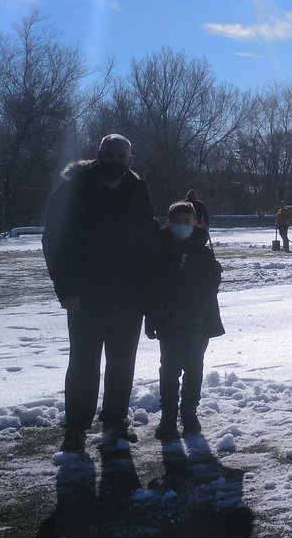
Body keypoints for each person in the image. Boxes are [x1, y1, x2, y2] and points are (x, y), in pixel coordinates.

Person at [42, 133, 159, 453]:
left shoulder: (136, 189)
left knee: (123, 361)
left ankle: (115, 421)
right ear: (98, 154)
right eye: (110, 154)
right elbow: (53, 241)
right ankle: (76, 430)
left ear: (129, 160)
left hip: (129, 295)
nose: (116, 162)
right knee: (83, 362)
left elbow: (148, 239)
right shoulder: (72, 190)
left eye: (122, 158)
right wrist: (66, 289)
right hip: (85, 296)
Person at [144, 200, 225, 441]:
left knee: (194, 366)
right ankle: (168, 416)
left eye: (186, 222)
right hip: (169, 321)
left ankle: (189, 412)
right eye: (177, 222)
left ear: (195, 223)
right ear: (169, 223)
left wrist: (214, 274)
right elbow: (152, 287)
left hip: (198, 321)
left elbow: (210, 287)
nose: (182, 226)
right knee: (169, 369)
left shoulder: (202, 250)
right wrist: (151, 318)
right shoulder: (159, 250)